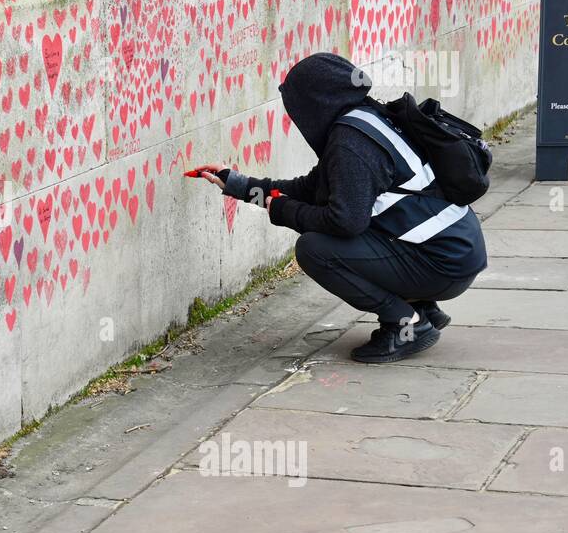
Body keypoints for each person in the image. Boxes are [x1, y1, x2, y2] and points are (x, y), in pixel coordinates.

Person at [192, 53, 487, 363]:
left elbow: (345, 222)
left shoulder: (350, 144)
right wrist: (237, 185)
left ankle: (407, 323)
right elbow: (309, 189)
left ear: (315, 103)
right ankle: (422, 305)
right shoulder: (366, 121)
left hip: (444, 264)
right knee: (347, 233)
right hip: (455, 252)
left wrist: (283, 211)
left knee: (315, 249)